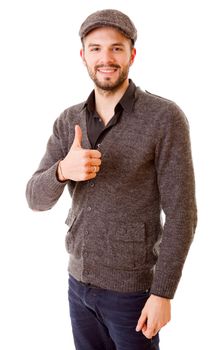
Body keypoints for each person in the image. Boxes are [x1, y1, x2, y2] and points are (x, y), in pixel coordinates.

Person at [26, 8, 197, 350]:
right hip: (77, 284)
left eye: (117, 48)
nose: (106, 58)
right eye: (96, 48)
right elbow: (34, 198)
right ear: (83, 56)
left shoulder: (164, 118)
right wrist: (62, 171)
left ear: (132, 54)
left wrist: (163, 292)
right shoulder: (68, 120)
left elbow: (183, 214)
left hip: (132, 293)